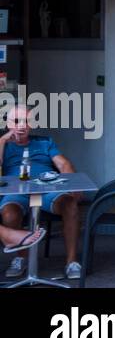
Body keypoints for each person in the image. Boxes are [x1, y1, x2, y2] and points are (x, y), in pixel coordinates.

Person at [1, 105, 81, 280]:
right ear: (7, 124)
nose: (21, 125)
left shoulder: (45, 142)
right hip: (17, 191)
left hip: (46, 188)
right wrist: (4, 139)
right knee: (9, 213)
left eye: (26, 121)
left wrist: (73, 187)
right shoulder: (3, 145)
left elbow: (63, 164)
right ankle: (20, 258)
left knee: (70, 204)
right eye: (16, 121)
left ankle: (72, 262)